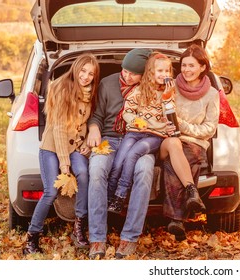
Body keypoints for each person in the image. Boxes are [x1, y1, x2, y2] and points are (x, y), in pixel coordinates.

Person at [23, 53, 100, 254]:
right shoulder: (59, 87)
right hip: (52, 147)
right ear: (75, 68)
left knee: (84, 175)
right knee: (50, 191)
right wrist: (64, 164)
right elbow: (58, 128)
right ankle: (32, 238)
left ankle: (79, 228)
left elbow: (88, 121)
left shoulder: (91, 93)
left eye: (90, 74)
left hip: (75, 147)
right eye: (83, 70)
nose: (85, 76)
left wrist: (87, 145)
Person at [86, 48, 154, 259]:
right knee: (96, 170)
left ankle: (129, 238)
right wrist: (93, 128)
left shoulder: (151, 89)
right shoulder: (107, 83)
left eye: (133, 73)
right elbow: (95, 114)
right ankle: (97, 237)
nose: (126, 76)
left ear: (144, 75)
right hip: (109, 139)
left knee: (144, 170)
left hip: (139, 141)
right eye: (125, 70)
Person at [160, 44, 219, 241]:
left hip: (196, 142)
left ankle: (176, 220)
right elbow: (162, 113)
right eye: (184, 65)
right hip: (170, 139)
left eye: (192, 66)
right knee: (179, 153)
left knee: (180, 160)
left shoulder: (212, 94)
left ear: (203, 67)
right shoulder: (171, 87)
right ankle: (189, 199)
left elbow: (210, 128)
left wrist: (184, 127)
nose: (186, 70)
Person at [107, 52, 175, 215]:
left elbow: (171, 115)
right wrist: (135, 121)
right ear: (150, 72)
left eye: (167, 71)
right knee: (118, 162)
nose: (164, 75)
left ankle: (120, 196)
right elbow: (127, 112)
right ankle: (108, 197)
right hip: (134, 133)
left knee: (133, 155)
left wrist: (166, 97)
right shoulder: (138, 91)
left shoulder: (169, 93)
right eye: (160, 71)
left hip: (155, 136)